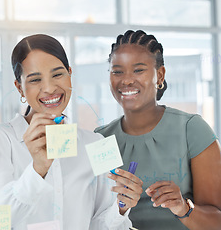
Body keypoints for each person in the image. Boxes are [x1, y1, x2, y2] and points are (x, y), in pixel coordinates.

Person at [0, 34, 132, 230]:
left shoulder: (98, 142)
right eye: (35, 80)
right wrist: (37, 170)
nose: (49, 88)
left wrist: (121, 207)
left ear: (70, 73)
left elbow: (103, 224)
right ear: (20, 88)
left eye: (58, 74)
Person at [94, 29, 221, 230]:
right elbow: (93, 218)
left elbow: (217, 221)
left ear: (160, 75)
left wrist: (183, 208)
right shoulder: (100, 139)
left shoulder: (192, 130)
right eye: (117, 71)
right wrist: (119, 209)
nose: (126, 80)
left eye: (138, 70)